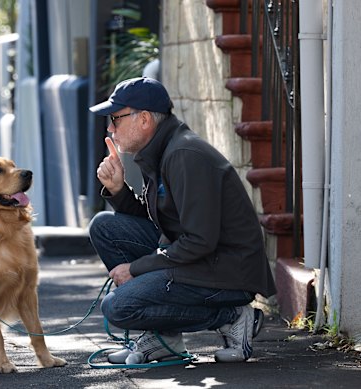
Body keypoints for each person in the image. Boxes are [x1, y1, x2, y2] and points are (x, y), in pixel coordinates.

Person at [88, 77, 277, 364]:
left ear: (144, 120)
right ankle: (165, 340)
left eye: (115, 118)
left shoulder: (184, 155)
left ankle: (234, 316)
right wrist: (118, 190)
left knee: (118, 307)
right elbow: (161, 222)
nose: (110, 128)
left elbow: (199, 241)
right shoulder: (162, 149)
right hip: (201, 257)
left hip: (225, 270)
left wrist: (136, 268)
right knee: (105, 227)